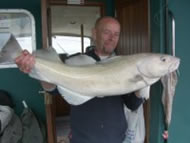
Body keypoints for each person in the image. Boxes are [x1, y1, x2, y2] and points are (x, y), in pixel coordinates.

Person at [15, 16, 144, 143]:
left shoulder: (124, 64)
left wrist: (142, 82)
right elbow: (53, 90)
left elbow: (132, 104)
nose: (112, 38)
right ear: (94, 33)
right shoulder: (74, 62)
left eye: (116, 34)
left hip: (115, 138)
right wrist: (35, 68)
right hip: (82, 138)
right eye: (107, 32)